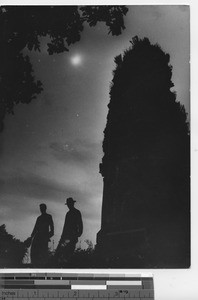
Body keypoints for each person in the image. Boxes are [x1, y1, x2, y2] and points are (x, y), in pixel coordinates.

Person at [56, 197, 83, 262]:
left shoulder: (76, 212)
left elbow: (80, 223)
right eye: (68, 204)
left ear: (72, 204)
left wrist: (79, 233)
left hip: (72, 236)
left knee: (68, 252)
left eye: (69, 204)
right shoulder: (69, 214)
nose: (68, 205)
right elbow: (65, 226)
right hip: (67, 236)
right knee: (65, 252)